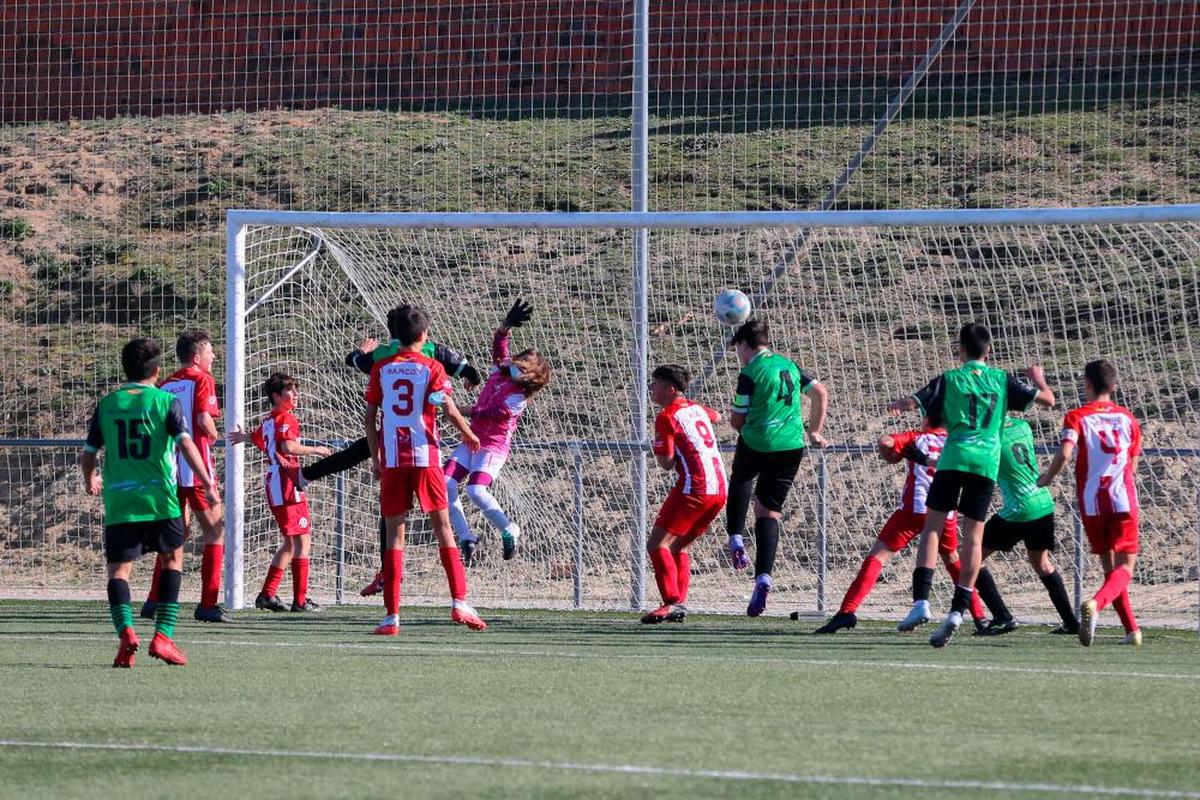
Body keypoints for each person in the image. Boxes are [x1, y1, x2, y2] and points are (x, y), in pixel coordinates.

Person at [292, 307, 480, 596]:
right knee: (432, 520)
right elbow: (465, 367)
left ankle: (387, 576)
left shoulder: (381, 357)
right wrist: (471, 379)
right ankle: (456, 594)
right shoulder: (433, 351)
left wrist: (358, 352)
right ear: (422, 332)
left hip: (394, 438)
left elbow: (354, 361)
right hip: (422, 440)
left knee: (385, 500)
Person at [890, 322, 1055, 648]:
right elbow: (1048, 401)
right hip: (985, 465)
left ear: (960, 349)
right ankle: (958, 609)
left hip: (954, 460)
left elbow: (913, 403)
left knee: (933, 529)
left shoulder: (950, 379)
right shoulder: (1002, 379)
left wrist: (900, 404)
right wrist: (1038, 380)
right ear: (989, 350)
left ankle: (921, 602)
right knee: (973, 538)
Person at [80, 337, 219, 667]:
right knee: (172, 560)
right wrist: (208, 484)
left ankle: (126, 632)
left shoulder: (108, 403)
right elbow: (187, 447)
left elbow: (88, 454)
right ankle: (163, 637)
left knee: (118, 571)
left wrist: (91, 479)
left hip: (121, 501)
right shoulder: (163, 402)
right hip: (159, 498)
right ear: (157, 371)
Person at [364, 304, 486, 635]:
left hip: (393, 460)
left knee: (394, 536)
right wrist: (469, 434)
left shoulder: (381, 368)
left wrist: (376, 459)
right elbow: (448, 409)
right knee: (444, 528)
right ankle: (460, 602)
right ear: (424, 335)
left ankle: (391, 617)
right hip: (425, 458)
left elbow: (370, 420)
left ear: (395, 336)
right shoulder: (432, 367)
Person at [813, 414, 987, 634]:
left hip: (914, 510)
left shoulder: (916, 437)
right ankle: (980, 616)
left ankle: (847, 612)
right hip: (946, 513)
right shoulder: (954, 442)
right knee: (953, 560)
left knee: (878, 557)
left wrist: (896, 454)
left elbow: (885, 441)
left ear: (928, 419)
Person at [725, 319, 829, 617]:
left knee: (742, 477)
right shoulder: (789, 365)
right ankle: (764, 578)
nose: (739, 355)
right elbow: (820, 392)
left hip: (759, 440)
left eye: (738, 350)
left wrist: (743, 424)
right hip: (791, 446)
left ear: (745, 345)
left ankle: (735, 536)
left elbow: (736, 420)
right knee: (769, 512)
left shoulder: (750, 372)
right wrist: (815, 431)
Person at [1038, 359, 1143, 646]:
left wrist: (1047, 477)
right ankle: (1096, 604)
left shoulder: (1077, 416)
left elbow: (1066, 453)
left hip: (1092, 503)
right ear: (1114, 386)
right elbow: (1131, 467)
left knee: (1110, 569)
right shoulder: (1128, 419)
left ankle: (1131, 630)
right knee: (1125, 571)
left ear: (1086, 384)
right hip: (1123, 499)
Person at [445, 299, 551, 565]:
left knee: (475, 491)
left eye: (526, 364)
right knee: (445, 485)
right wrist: (506, 326)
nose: (519, 364)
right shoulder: (500, 371)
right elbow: (499, 343)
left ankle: (509, 528)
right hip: (471, 440)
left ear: (533, 375)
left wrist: (461, 412)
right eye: (520, 359)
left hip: (491, 447)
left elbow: (491, 413)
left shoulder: (520, 396)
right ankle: (467, 536)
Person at [141, 330, 230, 623]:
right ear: (196, 357)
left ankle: (154, 600)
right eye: (210, 352)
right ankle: (207, 605)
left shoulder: (165, 385)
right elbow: (204, 419)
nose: (213, 356)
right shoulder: (202, 379)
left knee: (175, 535)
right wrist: (217, 437)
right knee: (215, 532)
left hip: (168, 471)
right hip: (194, 468)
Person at [230, 373, 332, 613]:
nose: (296, 395)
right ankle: (300, 600)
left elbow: (260, 439)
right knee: (302, 540)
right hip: (286, 483)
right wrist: (316, 449)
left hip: (276, 483)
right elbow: (287, 446)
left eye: (296, 390)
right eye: (290, 390)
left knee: (290, 542)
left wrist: (244, 436)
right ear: (276, 396)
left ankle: (267, 594)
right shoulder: (285, 417)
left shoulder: (269, 419)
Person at [970, 415, 1078, 636]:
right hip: (1043, 501)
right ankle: (1071, 622)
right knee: (1042, 563)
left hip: (1020, 507)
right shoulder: (1023, 426)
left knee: (971, 557)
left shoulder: (988, 436)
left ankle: (1002, 617)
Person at [641, 364, 727, 624]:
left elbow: (666, 462)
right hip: (720, 489)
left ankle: (671, 602)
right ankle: (679, 604)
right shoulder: (697, 409)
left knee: (657, 544)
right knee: (679, 545)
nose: (651, 389)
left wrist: (661, 446)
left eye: (654, 384)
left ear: (669, 389)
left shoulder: (667, 416)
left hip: (695, 488)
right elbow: (718, 416)